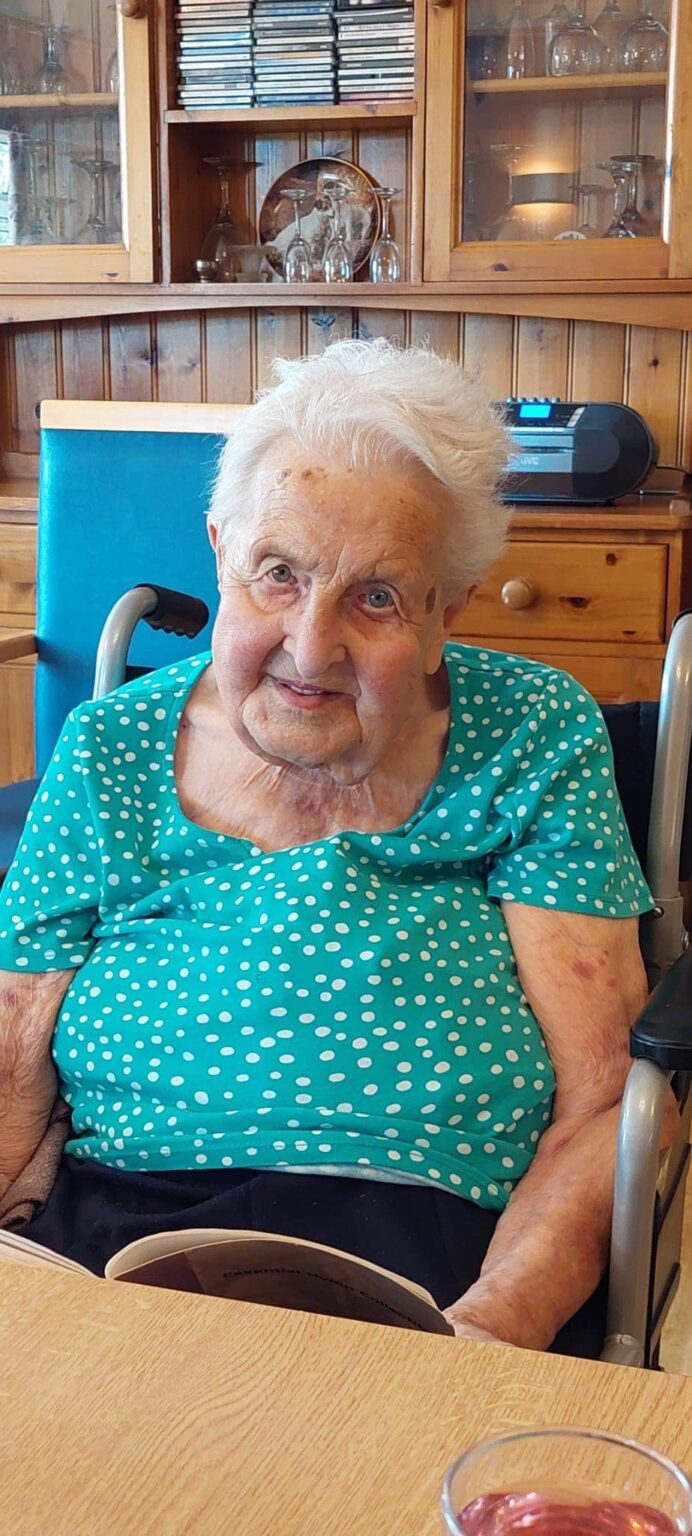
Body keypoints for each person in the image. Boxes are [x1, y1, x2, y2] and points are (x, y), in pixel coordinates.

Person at [0, 340, 672, 1356]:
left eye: (377, 597)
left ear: (446, 609)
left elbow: (601, 1098)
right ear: (219, 550)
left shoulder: (531, 730)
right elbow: (13, 1062)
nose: (310, 648)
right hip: (113, 1239)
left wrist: (488, 1331)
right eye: (278, 574)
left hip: (429, 1251)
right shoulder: (110, 746)